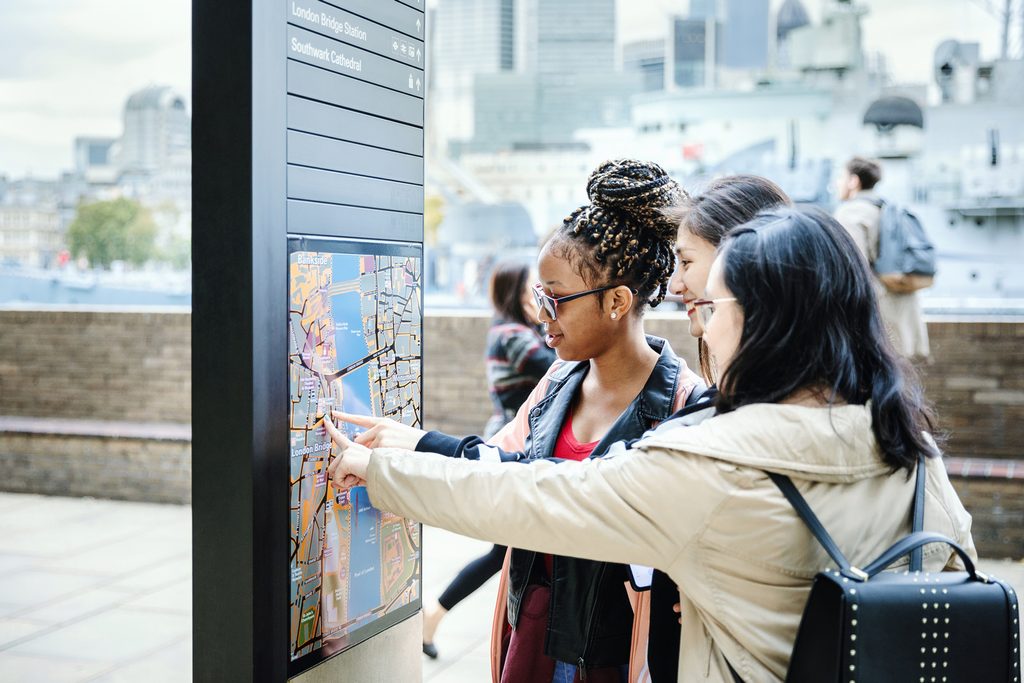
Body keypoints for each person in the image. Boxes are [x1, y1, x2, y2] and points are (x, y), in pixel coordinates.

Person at [327, 206, 975, 682]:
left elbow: (531, 496)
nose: (702, 323)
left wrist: (376, 470)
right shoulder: (914, 454)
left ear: (765, 325)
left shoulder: (715, 466)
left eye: (713, 307)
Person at [338, 159, 702, 682]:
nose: (540, 315)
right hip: (531, 632)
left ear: (617, 301)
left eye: (555, 299)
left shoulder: (683, 406)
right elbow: (501, 468)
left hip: (618, 657)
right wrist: (418, 444)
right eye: (538, 297)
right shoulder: (557, 380)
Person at [421, 259, 557, 659]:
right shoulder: (512, 334)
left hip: (522, 449)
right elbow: (561, 369)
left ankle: (435, 618)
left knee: (505, 552)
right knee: (502, 552)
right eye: (533, 289)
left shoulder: (517, 331)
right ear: (516, 294)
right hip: (513, 448)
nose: (541, 297)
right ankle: (433, 616)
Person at [834, 156, 930, 360]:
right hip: (904, 305)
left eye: (841, 177)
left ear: (854, 181)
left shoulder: (850, 213)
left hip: (878, 313)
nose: (837, 183)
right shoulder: (887, 207)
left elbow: (853, 269)